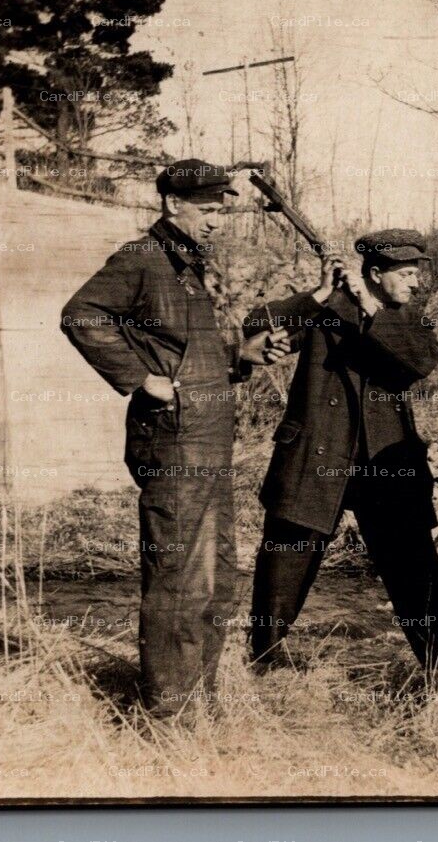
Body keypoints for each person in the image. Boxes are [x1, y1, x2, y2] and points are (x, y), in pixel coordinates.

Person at [60, 158, 290, 719]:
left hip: (207, 444)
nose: (217, 222)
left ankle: (197, 703)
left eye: (222, 212)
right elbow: (80, 315)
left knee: (215, 579)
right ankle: (169, 717)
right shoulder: (142, 258)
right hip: (173, 444)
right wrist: (140, 380)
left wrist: (242, 358)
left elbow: (185, 355)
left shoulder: (186, 267)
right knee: (179, 582)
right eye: (209, 211)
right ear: (173, 205)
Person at [241, 229, 438, 672]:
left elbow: (417, 363)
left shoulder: (407, 320)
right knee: (284, 562)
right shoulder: (324, 309)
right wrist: (320, 293)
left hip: (386, 466)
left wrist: (370, 308)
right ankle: (264, 663)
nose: (416, 282)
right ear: (376, 273)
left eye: (417, 273)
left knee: (414, 566)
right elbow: (254, 325)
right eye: (406, 273)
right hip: (316, 457)